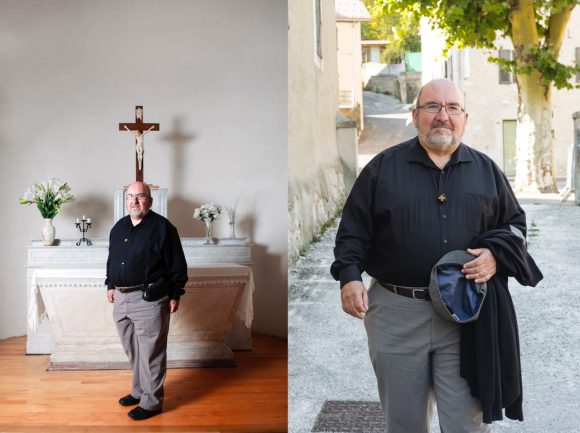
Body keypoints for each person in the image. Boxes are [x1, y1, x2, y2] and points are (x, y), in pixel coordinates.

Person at [331, 78, 541, 432]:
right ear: (415, 115)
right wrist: (350, 277)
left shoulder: (487, 171)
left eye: (452, 108)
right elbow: (353, 229)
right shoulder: (382, 169)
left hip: (465, 315)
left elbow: (516, 227)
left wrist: (495, 256)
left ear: (464, 118)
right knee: (405, 423)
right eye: (432, 106)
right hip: (396, 313)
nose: (442, 115)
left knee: (466, 424)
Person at [106, 181, 188, 421]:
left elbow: (177, 265)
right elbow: (113, 259)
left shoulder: (163, 228)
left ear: (149, 201)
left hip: (149, 299)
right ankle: (139, 390)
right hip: (121, 298)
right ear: (125, 201)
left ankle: (152, 403)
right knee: (133, 350)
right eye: (130, 196)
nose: (134, 201)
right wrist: (110, 284)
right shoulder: (119, 227)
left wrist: (175, 293)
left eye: (140, 196)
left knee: (151, 352)